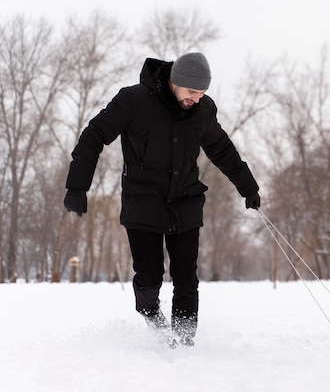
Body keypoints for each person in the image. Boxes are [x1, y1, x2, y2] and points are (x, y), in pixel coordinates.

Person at [63, 52, 261, 346]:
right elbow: (94, 135)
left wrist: (248, 187)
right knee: (150, 277)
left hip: (185, 200)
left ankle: (184, 341)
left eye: (202, 92)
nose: (196, 98)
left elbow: (222, 149)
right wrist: (77, 187)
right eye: (192, 91)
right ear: (174, 81)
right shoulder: (133, 100)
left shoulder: (202, 110)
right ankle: (150, 312)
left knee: (186, 278)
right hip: (143, 202)